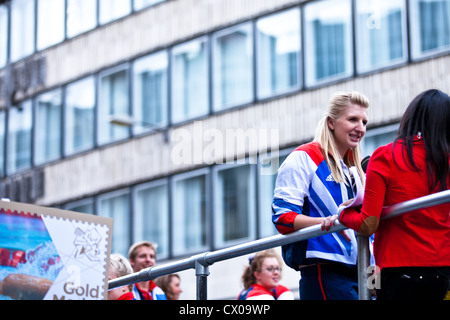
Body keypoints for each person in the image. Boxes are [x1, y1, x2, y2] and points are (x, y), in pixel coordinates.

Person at [339, 89, 450, 300]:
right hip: (443, 269)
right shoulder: (445, 159)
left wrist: (342, 214)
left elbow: (368, 223)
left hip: (398, 269)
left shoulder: (386, 155)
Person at [272, 91, 370, 300]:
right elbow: (283, 218)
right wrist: (325, 222)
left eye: (364, 122)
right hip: (324, 273)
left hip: (363, 275)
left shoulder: (357, 171)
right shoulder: (303, 158)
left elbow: (369, 234)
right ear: (331, 123)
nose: (360, 128)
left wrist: (374, 283)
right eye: (352, 119)